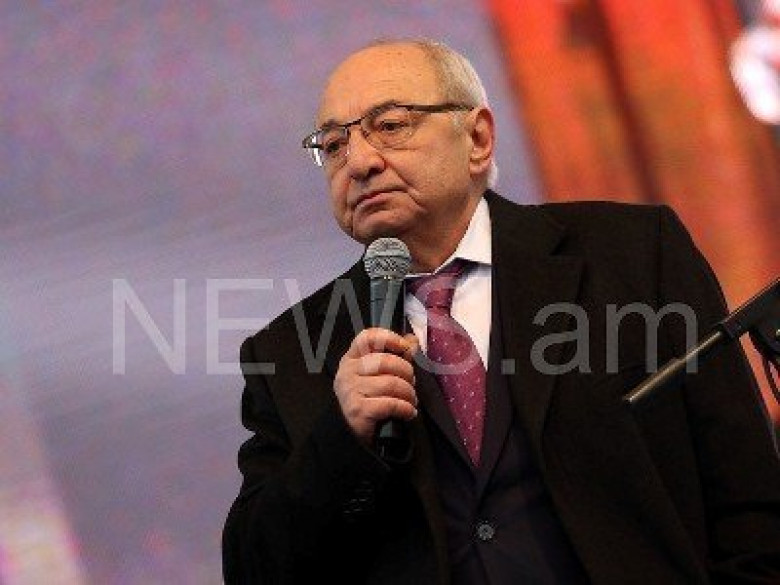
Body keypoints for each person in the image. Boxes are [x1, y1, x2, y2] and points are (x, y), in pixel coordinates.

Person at [222, 39, 780, 584]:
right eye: (333, 145)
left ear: (478, 138)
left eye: (390, 126)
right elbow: (255, 567)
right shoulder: (290, 351)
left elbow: (747, 491)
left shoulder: (631, 254)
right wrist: (341, 439)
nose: (360, 162)